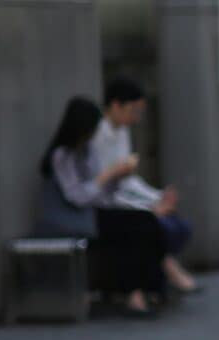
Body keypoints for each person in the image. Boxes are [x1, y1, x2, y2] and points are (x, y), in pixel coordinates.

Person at [36, 96, 168, 318]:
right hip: (76, 216)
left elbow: (103, 190)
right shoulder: (62, 156)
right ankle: (134, 293)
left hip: (97, 210)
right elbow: (76, 196)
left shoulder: (88, 151)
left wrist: (116, 177)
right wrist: (107, 176)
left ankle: (148, 287)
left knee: (146, 221)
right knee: (133, 229)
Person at [91, 77, 201, 295]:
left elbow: (127, 179)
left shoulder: (121, 132)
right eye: (133, 111)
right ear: (115, 106)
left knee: (172, 222)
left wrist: (156, 197)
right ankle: (156, 278)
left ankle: (158, 278)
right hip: (104, 204)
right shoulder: (97, 136)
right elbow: (106, 187)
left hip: (119, 198)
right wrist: (150, 205)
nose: (136, 118)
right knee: (150, 224)